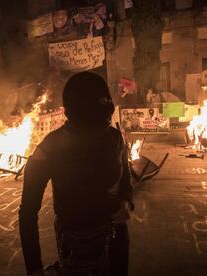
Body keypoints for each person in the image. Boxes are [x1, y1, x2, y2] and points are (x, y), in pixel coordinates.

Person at [19, 72, 134, 276]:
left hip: (116, 238)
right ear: (76, 115)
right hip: (77, 245)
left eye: (107, 117)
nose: (105, 124)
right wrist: (34, 268)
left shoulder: (114, 138)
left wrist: (126, 201)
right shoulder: (48, 150)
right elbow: (28, 211)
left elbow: (125, 178)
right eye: (97, 121)